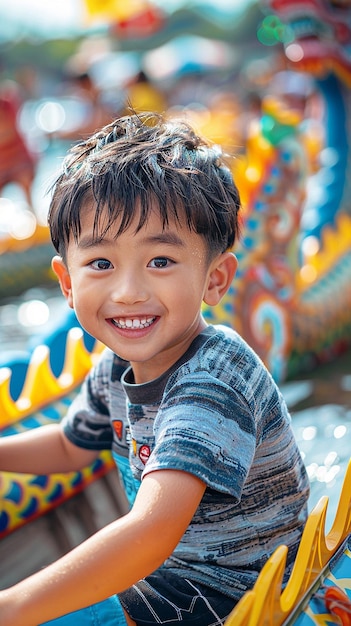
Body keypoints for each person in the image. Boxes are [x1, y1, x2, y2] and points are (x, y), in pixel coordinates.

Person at [0, 111, 309, 626]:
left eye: (160, 261)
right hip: (173, 573)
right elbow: (70, 447)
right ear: (67, 282)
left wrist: (10, 607)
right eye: (101, 264)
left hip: (235, 590)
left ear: (215, 279)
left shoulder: (214, 377)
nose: (128, 292)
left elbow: (149, 532)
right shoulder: (115, 365)